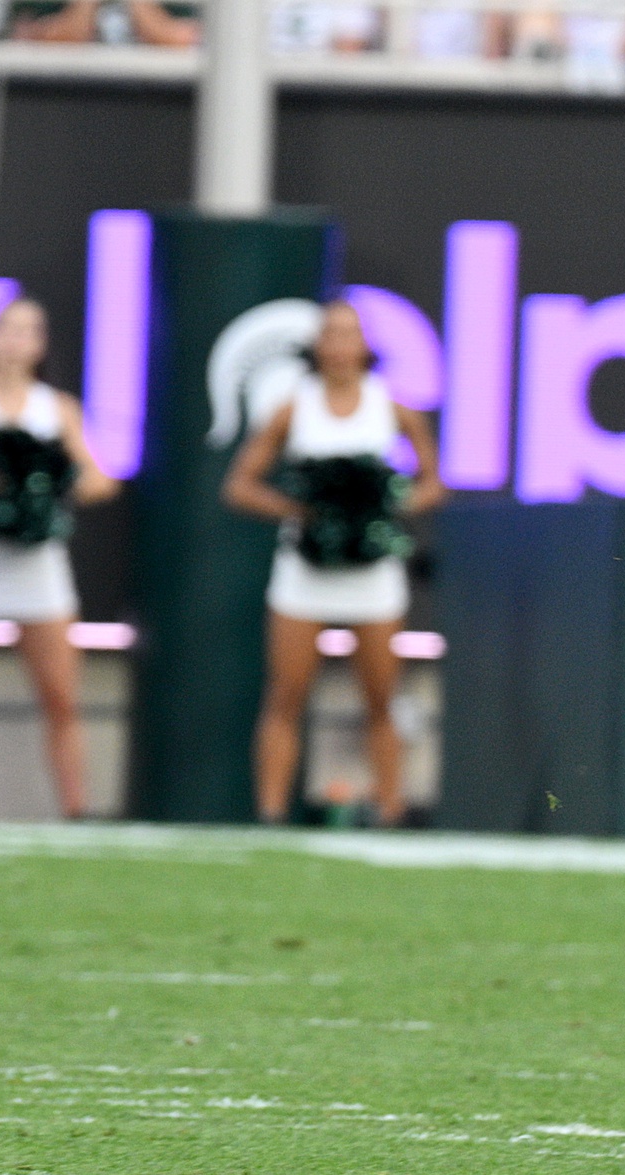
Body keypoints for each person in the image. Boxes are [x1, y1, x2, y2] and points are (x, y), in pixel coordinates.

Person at [222, 300, 447, 827]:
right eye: (331, 334)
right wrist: (302, 509)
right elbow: (240, 485)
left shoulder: (391, 408)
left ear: (365, 347)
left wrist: (383, 508)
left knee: (381, 697)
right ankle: (272, 814)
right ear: (317, 346)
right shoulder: (292, 408)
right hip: (305, 569)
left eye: (351, 334)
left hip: (371, 573)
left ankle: (388, 810)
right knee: (286, 694)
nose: (341, 345)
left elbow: (433, 483)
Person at [0, 298, 119, 818]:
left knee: (62, 697)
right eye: (9, 329)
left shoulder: (57, 407)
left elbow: (99, 479)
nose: (18, 340)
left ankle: (75, 808)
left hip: (37, 564)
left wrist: (42, 489)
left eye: (31, 331)